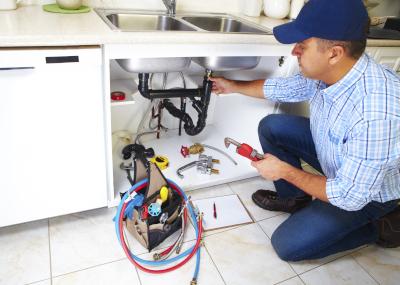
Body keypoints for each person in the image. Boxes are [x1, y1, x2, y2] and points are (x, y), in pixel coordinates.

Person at [211, 0, 400, 261]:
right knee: (272, 126)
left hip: (368, 196)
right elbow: (281, 89)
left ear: (334, 53)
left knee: (287, 245)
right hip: (337, 160)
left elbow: (349, 196)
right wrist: (231, 85)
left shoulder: (376, 113)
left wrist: (285, 171)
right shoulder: (332, 71)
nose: (294, 52)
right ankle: (295, 200)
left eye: (303, 45)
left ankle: (380, 226)